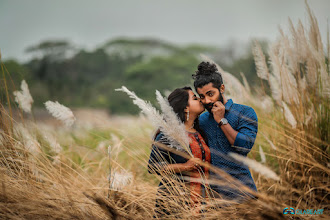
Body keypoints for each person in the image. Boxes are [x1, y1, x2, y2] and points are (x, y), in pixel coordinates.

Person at [192, 61, 258, 201]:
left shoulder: (245, 112)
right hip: (214, 197)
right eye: (202, 96)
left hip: (243, 192)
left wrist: (221, 120)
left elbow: (243, 147)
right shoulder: (202, 120)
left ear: (222, 88)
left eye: (211, 94)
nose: (207, 100)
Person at [148, 87, 212, 217]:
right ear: (185, 108)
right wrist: (185, 167)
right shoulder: (169, 135)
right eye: (195, 98)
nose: (200, 100)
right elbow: (152, 167)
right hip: (175, 201)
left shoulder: (200, 133)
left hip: (201, 202)